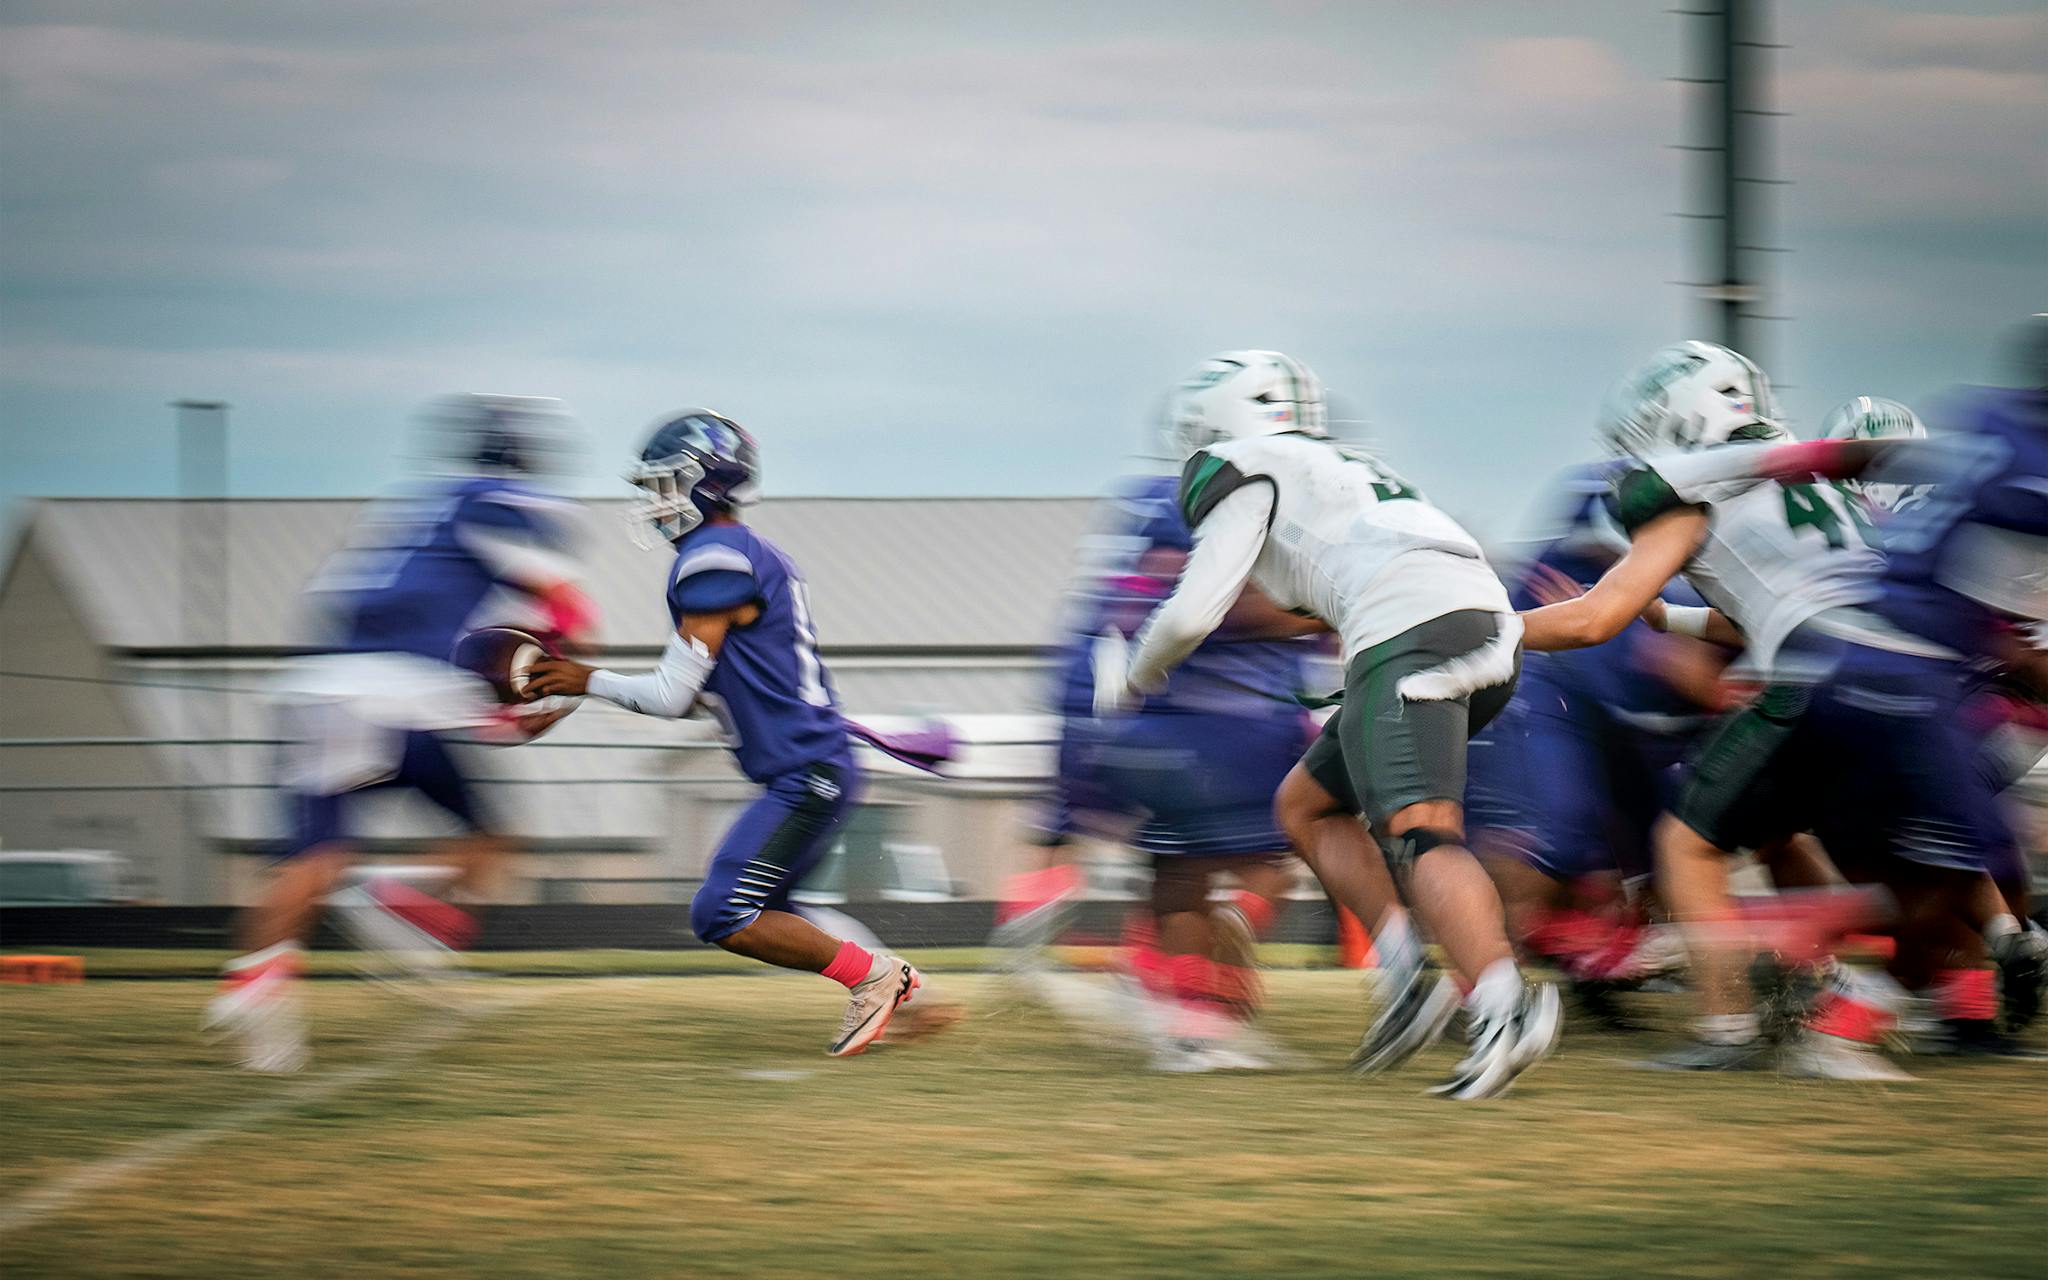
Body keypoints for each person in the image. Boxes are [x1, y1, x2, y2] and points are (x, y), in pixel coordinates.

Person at [1095, 350, 1561, 1100]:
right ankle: (1406, 977)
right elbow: (1320, 597)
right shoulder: (1341, 468)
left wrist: (1133, 673)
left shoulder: (1236, 464)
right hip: (1478, 629)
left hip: (1409, 638)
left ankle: (1504, 1006)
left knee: (1424, 834)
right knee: (1306, 805)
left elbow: (1192, 612)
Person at [205, 394, 595, 1072]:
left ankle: (255, 989)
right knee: (494, 834)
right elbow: (565, 609)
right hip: (400, 692)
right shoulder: (511, 503)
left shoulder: (409, 508)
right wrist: (553, 689)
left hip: (318, 687)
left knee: (312, 860)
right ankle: (397, 903)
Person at [525, 410, 934, 1058]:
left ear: (707, 483)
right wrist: (586, 686)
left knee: (721, 911)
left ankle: (879, 979)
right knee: (777, 906)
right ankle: (914, 999)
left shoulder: (712, 559)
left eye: (666, 484)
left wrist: (586, 680)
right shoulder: (742, 554)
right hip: (816, 764)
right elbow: (710, 697)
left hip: (805, 772)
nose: (654, 501)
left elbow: (671, 695)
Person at [1027, 467, 1326, 1070]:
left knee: (1177, 886)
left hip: (1153, 739)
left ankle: (1190, 1022)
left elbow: (1079, 674)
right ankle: (1237, 927)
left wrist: (1073, 802)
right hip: (1246, 737)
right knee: (1274, 856)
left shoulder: (1128, 577)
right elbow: (1275, 621)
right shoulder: (1251, 557)